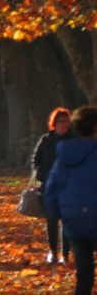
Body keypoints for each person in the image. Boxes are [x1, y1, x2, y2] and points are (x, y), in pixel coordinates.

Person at [45, 106, 97, 295]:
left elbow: (51, 189)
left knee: (84, 276)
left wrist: (61, 215)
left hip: (74, 221)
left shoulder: (66, 155)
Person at [34, 107, 75, 264]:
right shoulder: (46, 140)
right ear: (54, 123)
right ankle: (53, 251)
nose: (64, 124)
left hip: (69, 187)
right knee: (52, 220)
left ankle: (65, 253)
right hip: (49, 187)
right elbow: (36, 161)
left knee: (66, 220)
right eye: (61, 121)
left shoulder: (74, 141)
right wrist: (43, 177)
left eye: (66, 121)